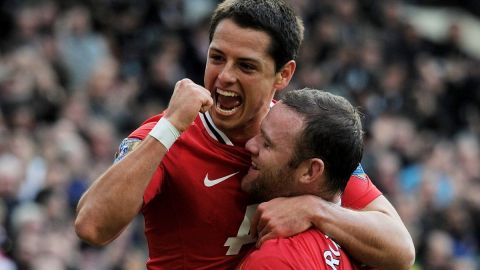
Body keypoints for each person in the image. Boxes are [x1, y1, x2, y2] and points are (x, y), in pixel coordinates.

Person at [75, 0, 415, 269]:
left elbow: (400, 250)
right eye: (217, 58)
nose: (224, 77)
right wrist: (169, 126)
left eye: (246, 66)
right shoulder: (167, 135)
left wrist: (314, 209)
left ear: (283, 75)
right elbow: (91, 227)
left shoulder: (299, 134)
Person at [238, 88, 366, 269]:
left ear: (310, 172)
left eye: (267, 144)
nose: (250, 145)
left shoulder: (275, 261)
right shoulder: (371, 255)